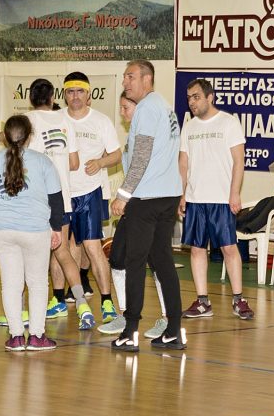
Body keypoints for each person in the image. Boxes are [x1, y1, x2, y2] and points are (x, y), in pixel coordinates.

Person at [109, 60, 184, 352]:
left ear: (147, 79)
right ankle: (174, 330)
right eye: (124, 77)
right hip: (168, 196)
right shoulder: (164, 106)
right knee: (163, 261)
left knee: (135, 263)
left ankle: (130, 331)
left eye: (130, 76)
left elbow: (141, 156)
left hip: (148, 198)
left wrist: (123, 194)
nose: (125, 82)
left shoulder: (147, 109)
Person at [0, 115, 64, 352]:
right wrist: (57, 228)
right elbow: (56, 199)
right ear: (30, 136)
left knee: (10, 285)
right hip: (36, 232)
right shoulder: (43, 162)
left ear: (4, 137)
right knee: (37, 284)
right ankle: (36, 336)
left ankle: (16, 336)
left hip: (3, 231)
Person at [179, 78, 254, 321]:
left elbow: (239, 161)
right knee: (197, 249)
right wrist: (182, 193)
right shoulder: (188, 127)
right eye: (189, 98)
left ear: (210, 97)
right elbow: (183, 163)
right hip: (195, 199)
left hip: (221, 199)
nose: (192, 102)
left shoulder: (229, 123)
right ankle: (203, 302)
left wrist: (234, 192)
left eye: (196, 97)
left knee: (229, 248)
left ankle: (239, 299)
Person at [98, 90, 169, 339]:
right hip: (134, 205)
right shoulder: (133, 136)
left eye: (125, 108)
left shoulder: (150, 135)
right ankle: (126, 314)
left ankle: (167, 318)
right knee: (117, 257)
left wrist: (123, 196)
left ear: (140, 110)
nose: (121, 113)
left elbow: (143, 169)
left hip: (150, 205)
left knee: (157, 262)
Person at [26, 78, 94, 330]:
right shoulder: (66, 121)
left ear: (31, 98)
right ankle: (82, 306)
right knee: (63, 252)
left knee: (30, 257)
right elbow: (74, 163)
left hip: (35, 202)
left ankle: (25, 312)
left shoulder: (26, 121)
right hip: (61, 200)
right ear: (53, 97)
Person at [62, 72, 122, 323]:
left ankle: (107, 302)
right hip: (62, 192)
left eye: (80, 91)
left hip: (90, 191)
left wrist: (100, 162)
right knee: (67, 246)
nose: (75, 96)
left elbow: (116, 154)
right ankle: (70, 293)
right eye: (70, 91)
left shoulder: (101, 121)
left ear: (89, 95)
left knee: (92, 246)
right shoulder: (57, 119)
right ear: (64, 94)